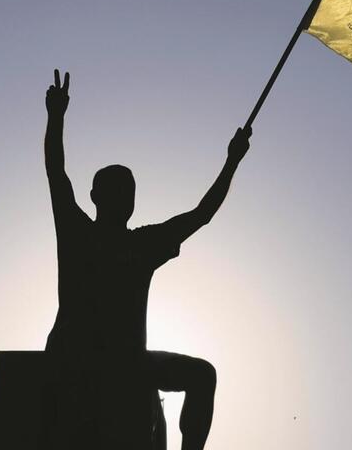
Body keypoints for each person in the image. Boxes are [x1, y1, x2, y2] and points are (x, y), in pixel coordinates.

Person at [44, 69, 250, 450]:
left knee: (203, 376)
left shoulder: (144, 242)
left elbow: (201, 214)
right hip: (78, 359)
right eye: (117, 189)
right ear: (96, 196)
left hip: (128, 364)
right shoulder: (78, 231)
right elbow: (57, 175)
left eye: (129, 191)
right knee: (193, 377)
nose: (125, 196)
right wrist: (55, 118)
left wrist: (232, 161)